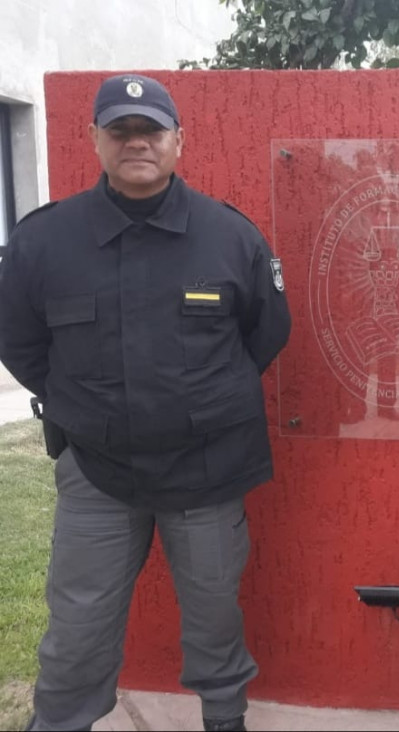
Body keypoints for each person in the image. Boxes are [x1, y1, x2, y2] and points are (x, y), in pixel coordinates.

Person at [0, 74, 291, 732]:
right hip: (98, 471)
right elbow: (20, 343)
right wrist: (86, 407)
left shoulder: (228, 236)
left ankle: (224, 720)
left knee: (214, 613)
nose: (137, 142)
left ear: (178, 142)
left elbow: (266, 332)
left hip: (207, 469)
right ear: (95, 140)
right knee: (78, 620)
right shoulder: (46, 241)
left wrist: (204, 400)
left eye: (151, 130)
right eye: (121, 130)